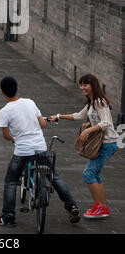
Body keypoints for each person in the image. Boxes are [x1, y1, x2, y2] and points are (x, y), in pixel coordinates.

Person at [0, 77, 80, 227]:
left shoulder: (4, 111)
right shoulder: (30, 102)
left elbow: (7, 136)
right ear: (17, 89)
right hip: (41, 147)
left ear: (2, 92)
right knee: (54, 177)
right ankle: (71, 206)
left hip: (22, 151)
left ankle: (8, 216)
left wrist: (16, 137)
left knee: (10, 182)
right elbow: (43, 124)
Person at [49, 73, 118, 219]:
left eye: (85, 84)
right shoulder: (92, 102)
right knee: (95, 175)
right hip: (103, 144)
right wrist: (59, 116)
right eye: (80, 85)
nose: (82, 88)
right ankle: (100, 205)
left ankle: (101, 208)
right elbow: (78, 116)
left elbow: (106, 123)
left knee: (88, 174)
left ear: (93, 85)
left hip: (107, 143)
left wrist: (88, 130)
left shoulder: (99, 102)